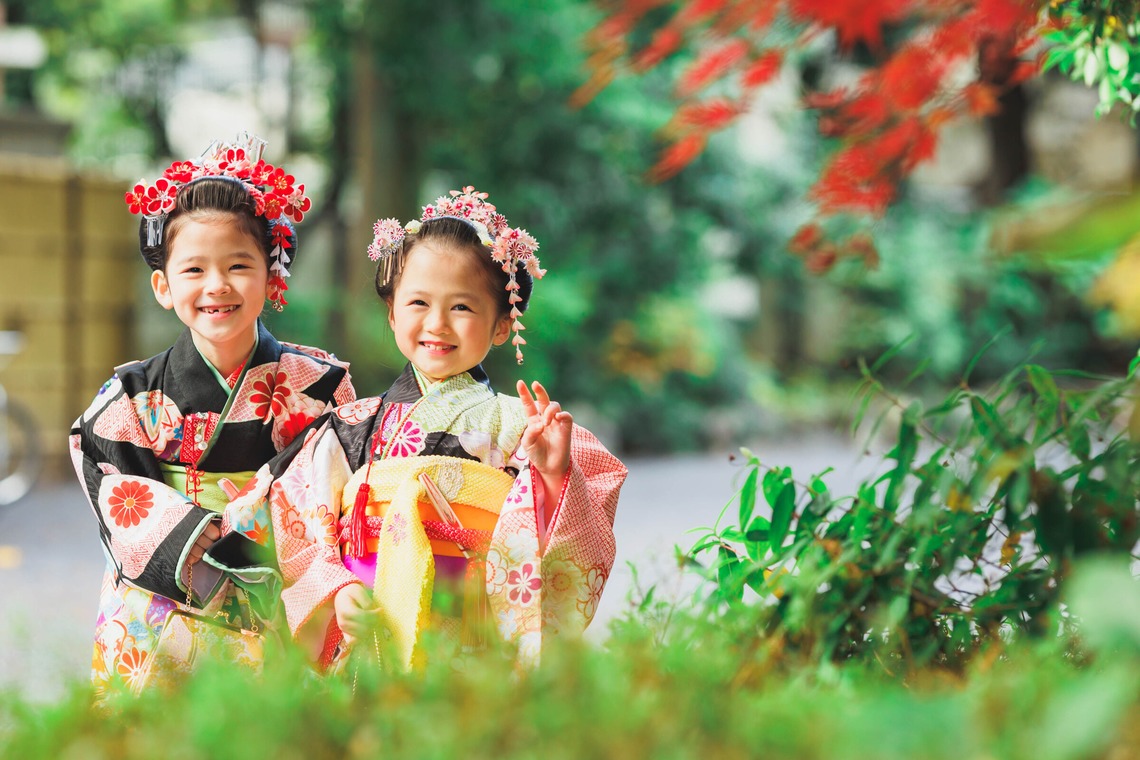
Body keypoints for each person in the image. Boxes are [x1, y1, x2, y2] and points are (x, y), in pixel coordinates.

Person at [229, 186, 625, 671]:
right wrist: (336, 586)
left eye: (462, 307)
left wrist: (554, 475)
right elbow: (297, 517)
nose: (437, 323)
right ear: (393, 312)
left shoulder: (526, 427)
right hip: (373, 618)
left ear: (502, 325)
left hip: (475, 622)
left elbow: (577, 534)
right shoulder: (353, 425)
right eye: (418, 303)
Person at [70, 134, 356, 696]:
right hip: (162, 610)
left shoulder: (320, 385)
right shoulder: (129, 394)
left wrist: (263, 522)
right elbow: (105, 475)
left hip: (282, 602)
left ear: (272, 275)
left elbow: (346, 496)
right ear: (163, 285)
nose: (216, 285)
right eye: (194, 269)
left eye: (238, 265)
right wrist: (189, 538)